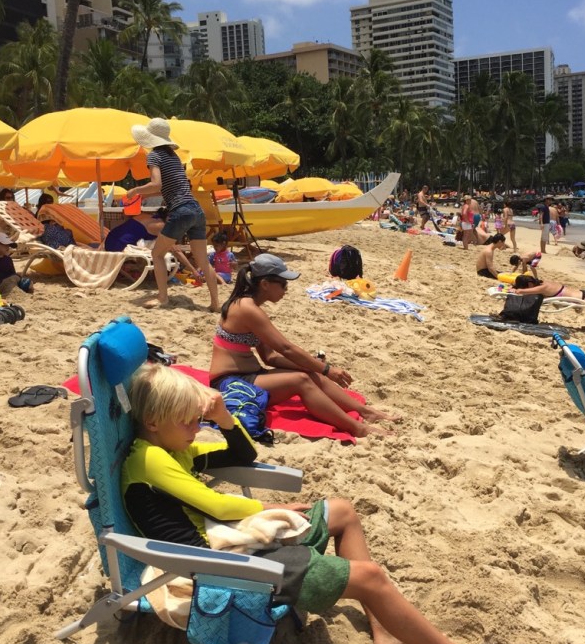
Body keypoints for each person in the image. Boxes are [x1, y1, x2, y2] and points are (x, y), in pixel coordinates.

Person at [122, 363, 538, 644]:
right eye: (189, 421)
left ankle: (385, 630)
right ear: (154, 421)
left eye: (198, 420)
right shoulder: (151, 459)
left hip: (223, 544)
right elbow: (216, 503)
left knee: (341, 511)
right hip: (214, 566)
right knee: (371, 577)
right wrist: (270, 507)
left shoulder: (169, 447)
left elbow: (242, 457)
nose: (198, 429)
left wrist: (225, 417)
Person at [208, 253, 396, 438]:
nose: (286, 289)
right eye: (283, 284)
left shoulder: (248, 305)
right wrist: (326, 369)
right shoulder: (247, 308)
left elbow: (269, 357)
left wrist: (313, 366)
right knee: (302, 380)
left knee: (310, 373)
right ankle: (357, 428)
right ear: (265, 284)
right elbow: (286, 348)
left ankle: (365, 411)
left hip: (249, 375)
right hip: (231, 383)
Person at [129, 118, 220, 311]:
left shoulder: (154, 156)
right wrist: (144, 194)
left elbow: (156, 184)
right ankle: (215, 304)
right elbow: (167, 188)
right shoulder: (174, 156)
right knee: (203, 261)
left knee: (157, 254)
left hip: (181, 211)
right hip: (196, 210)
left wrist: (135, 191)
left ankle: (163, 298)